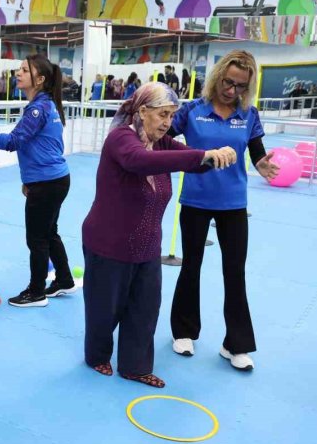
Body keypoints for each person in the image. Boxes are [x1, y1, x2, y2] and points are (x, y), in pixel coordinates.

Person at [82, 82, 236, 387]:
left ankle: (135, 366)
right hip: (108, 243)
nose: (168, 123)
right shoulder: (121, 139)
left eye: (171, 116)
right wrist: (201, 156)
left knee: (145, 309)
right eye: (163, 114)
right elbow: (139, 162)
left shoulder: (162, 143)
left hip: (147, 246)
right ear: (142, 111)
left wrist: (213, 156)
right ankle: (97, 356)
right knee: (104, 309)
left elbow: (191, 159)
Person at [168, 50, 280, 371]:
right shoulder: (191, 110)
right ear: (217, 77)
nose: (232, 91)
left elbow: (257, 154)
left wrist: (263, 166)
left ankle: (236, 344)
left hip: (233, 204)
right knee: (191, 266)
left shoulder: (249, 114)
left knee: (235, 272)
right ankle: (184, 331)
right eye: (228, 82)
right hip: (195, 201)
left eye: (241, 86)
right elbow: (163, 138)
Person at [0, 54, 72, 307]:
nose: (18, 73)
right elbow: (45, 147)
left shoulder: (38, 109)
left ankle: (36, 292)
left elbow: (13, 142)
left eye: (25, 70)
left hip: (48, 183)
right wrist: (29, 179)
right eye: (18, 69)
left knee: (37, 238)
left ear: (39, 79)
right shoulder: (48, 105)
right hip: (54, 180)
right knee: (49, 233)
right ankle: (64, 279)